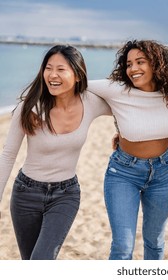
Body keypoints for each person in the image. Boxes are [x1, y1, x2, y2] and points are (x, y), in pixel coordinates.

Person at [0, 45, 111, 259]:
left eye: (61, 69)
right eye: (48, 68)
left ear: (78, 74)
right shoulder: (30, 107)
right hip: (25, 194)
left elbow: (124, 106)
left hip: (65, 195)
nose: (52, 75)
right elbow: (7, 155)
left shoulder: (91, 102)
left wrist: (121, 134)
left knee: (41, 260)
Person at [87, 39, 168, 260]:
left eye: (140, 62)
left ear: (156, 64)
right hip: (123, 173)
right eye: (129, 64)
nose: (133, 69)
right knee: (123, 246)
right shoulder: (117, 89)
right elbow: (74, 82)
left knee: (155, 242)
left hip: (164, 173)